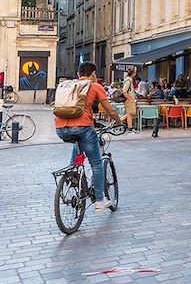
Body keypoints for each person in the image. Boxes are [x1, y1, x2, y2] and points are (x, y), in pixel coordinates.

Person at [54, 62, 123, 212]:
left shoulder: (69, 86)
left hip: (60, 128)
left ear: (78, 75)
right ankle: (99, 200)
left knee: (77, 141)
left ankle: (73, 174)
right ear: (93, 74)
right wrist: (119, 123)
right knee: (96, 164)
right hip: (83, 128)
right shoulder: (95, 86)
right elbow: (110, 111)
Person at [120, 68, 138, 133]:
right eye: (135, 72)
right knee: (129, 114)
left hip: (129, 100)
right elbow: (124, 92)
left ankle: (130, 128)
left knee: (129, 114)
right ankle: (117, 122)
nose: (135, 74)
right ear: (133, 73)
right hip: (129, 100)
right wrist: (131, 99)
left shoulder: (129, 80)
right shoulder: (128, 81)